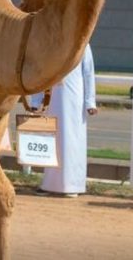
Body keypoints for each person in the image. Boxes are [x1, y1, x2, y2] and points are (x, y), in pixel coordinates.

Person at [32, 43, 97, 197]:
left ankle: (73, 186)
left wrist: (90, 101)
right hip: (52, 100)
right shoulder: (50, 44)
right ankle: (49, 184)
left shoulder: (82, 45)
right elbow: (42, 73)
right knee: (52, 141)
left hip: (74, 100)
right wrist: (36, 100)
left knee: (72, 142)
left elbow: (88, 73)